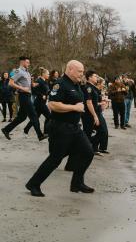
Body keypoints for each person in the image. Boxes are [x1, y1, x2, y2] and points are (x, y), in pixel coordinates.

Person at [25, 60, 95, 197]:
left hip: (74, 127)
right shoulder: (60, 84)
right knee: (55, 159)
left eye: (82, 71)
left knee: (88, 152)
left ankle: (77, 183)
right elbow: (52, 105)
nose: (82, 74)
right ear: (70, 70)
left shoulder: (76, 84)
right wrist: (74, 108)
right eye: (79, 71)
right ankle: (33, 184)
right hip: (60, 127)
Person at [1, 56, 47, 141]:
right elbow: (10, 83)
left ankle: (6, 129)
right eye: (27, 62)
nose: (28, 64)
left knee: (21, 117)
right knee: (34, 115)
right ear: (22, 62)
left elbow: (27, 84)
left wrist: (33, 84)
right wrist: (22, 88)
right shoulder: (18, 71)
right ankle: (40, 135)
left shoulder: (27, 72)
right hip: (23, 96)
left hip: (27, 96)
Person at [81, 70, 107, 155]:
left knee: (102, 131)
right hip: (89, 114)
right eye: (95, 76)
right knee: (88, 132)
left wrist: (102, 102)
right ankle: (84, 146)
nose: (97, 78)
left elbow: (96, 100)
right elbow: (89, 103)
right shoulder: (88, 87)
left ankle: (91, 147)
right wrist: (95, 116)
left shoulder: (94, 87)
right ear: (90, 77)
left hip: (97, 112)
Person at [24, 68, 51, 135]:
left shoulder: (45, 81)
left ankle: (26, 129)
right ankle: (46, 132)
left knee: (35, 118)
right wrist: (41, 95)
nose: (49, 75)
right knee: (49, 117)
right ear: (43, 74)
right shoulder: (39, 81)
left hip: (42, 102)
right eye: (48, 74)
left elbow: (46, 90)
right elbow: (34, 90)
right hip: (39, 103)